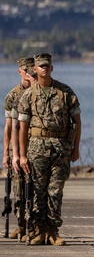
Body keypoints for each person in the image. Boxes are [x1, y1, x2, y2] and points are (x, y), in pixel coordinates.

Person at [16, 53, 81, 246]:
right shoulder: (28, 95)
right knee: (38, 192)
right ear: (35, 69)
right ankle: (39, 230)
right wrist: (22, 155)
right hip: (36, 150)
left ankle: (53, 231)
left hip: (60, 149)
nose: (44, 68)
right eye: (41, 66)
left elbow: (77, 122)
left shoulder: (65, 92)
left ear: (52, 68)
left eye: (47, 65)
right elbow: (22, 128)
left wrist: (76, 148)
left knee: (55, 191)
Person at [4, 57, 35, 240]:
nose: (28, 73)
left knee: (35, 188)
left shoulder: (37, 92)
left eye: (31, 70)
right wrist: (6, 154)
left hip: (34, 146)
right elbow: (9, 127)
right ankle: (21, 225)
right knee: (18, 188)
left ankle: (34, 225)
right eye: (26, 70)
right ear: (20, 71)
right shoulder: (13, 95)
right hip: (17, 147)